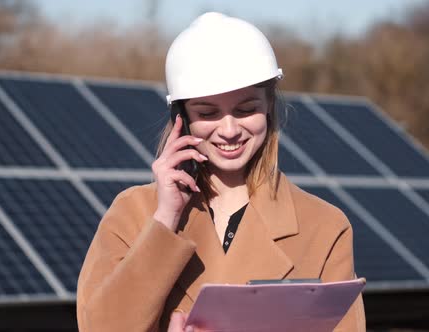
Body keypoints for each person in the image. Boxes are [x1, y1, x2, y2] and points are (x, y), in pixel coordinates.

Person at [77, 12, 366, 332]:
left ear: (269, 105)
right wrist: (165, 220)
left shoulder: (324, 227)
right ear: (182, 116)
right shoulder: (133, 213)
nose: (229, 130)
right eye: (208, 112)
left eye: (246, 109)